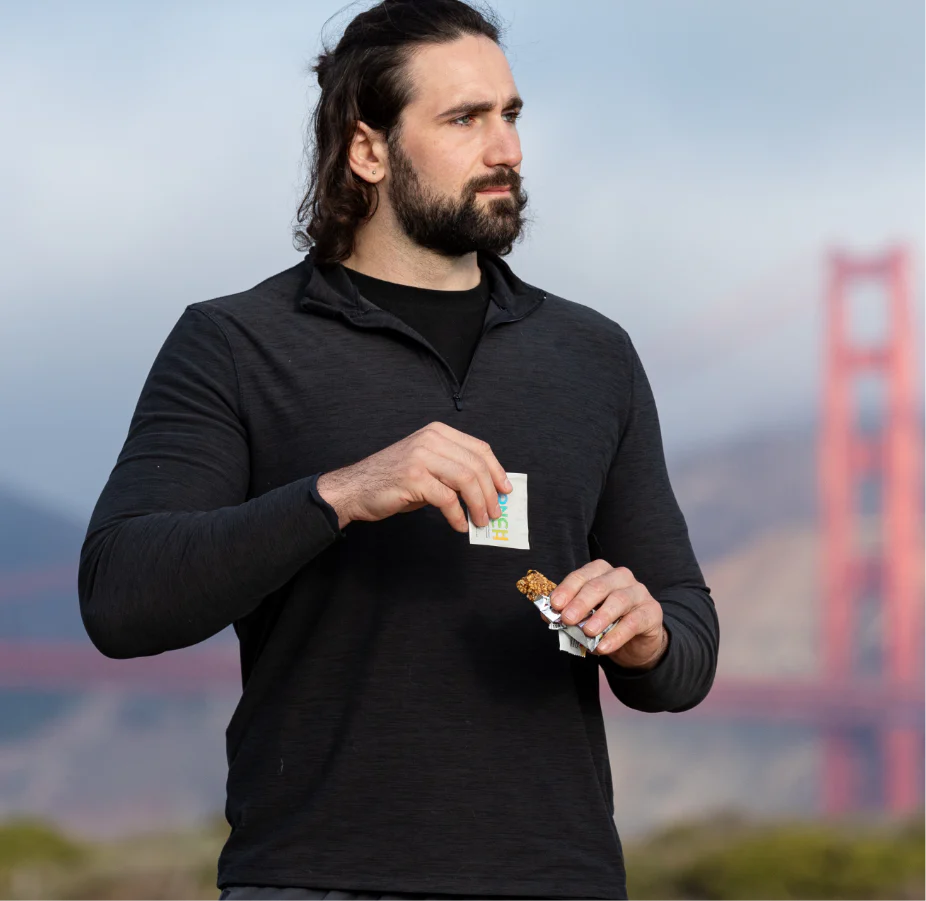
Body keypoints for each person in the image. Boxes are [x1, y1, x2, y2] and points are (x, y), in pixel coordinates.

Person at [78, 1, 719, 899]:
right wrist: (339, 493)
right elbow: (119, 596)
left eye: (511, 114)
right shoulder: (235, 343)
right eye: (464, 119)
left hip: (558, 876)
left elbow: (687, 642)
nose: (507, 150)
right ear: (367, 148)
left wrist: (647, 636)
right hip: (312, 877)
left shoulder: (592, 354)